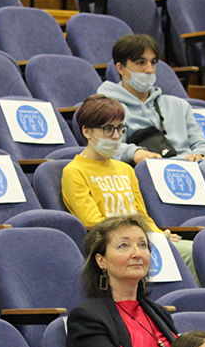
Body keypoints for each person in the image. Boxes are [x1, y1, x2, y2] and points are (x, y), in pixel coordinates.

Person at [61, 94, 195, 276]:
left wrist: (159, 234)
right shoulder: (74, 171)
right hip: (112, 244)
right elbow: (93, 222)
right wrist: (141, 238)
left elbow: (141, 215)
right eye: (108, 129)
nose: (116, 136)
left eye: (120, 128)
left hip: (139, 240)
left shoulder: (126, 169)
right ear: (87, 131)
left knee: (196, 249)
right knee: (189, 254)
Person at [66, 214, 177, 347]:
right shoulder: (86, 317)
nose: (137, 253)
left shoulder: (159, 313)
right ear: (101, 261)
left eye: (142, 245)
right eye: (124, 246)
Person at [97, 34, 205, 169]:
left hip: (191, 168)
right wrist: (135, 153)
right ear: (121, 68)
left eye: (153, 63)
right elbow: (106, 146)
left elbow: (202, 143)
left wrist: (201, 154)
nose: (149, 69)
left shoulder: (179, 106)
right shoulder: (108, 107)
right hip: (150, 170)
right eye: (140, 62)